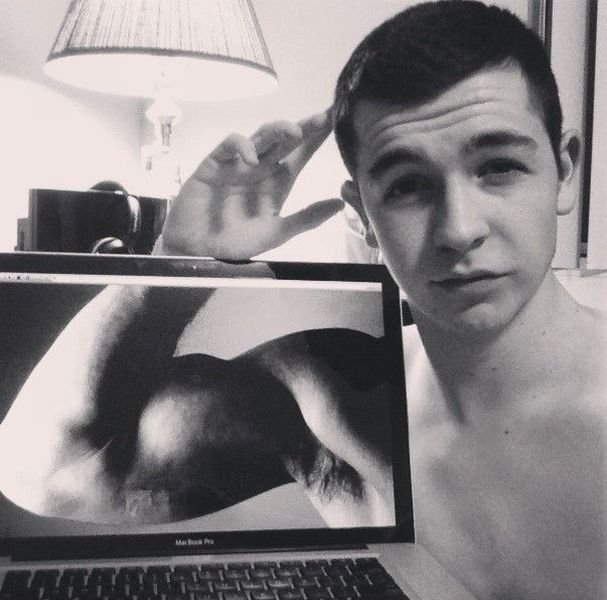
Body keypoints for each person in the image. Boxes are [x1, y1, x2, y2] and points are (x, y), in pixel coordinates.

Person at [0, 1, 604, 598]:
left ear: (565, 170)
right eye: (407, 185)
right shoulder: (337, 396)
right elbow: (47, 469)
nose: (458, 229)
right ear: (362, 214)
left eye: (498, 167)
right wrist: (175, 264)